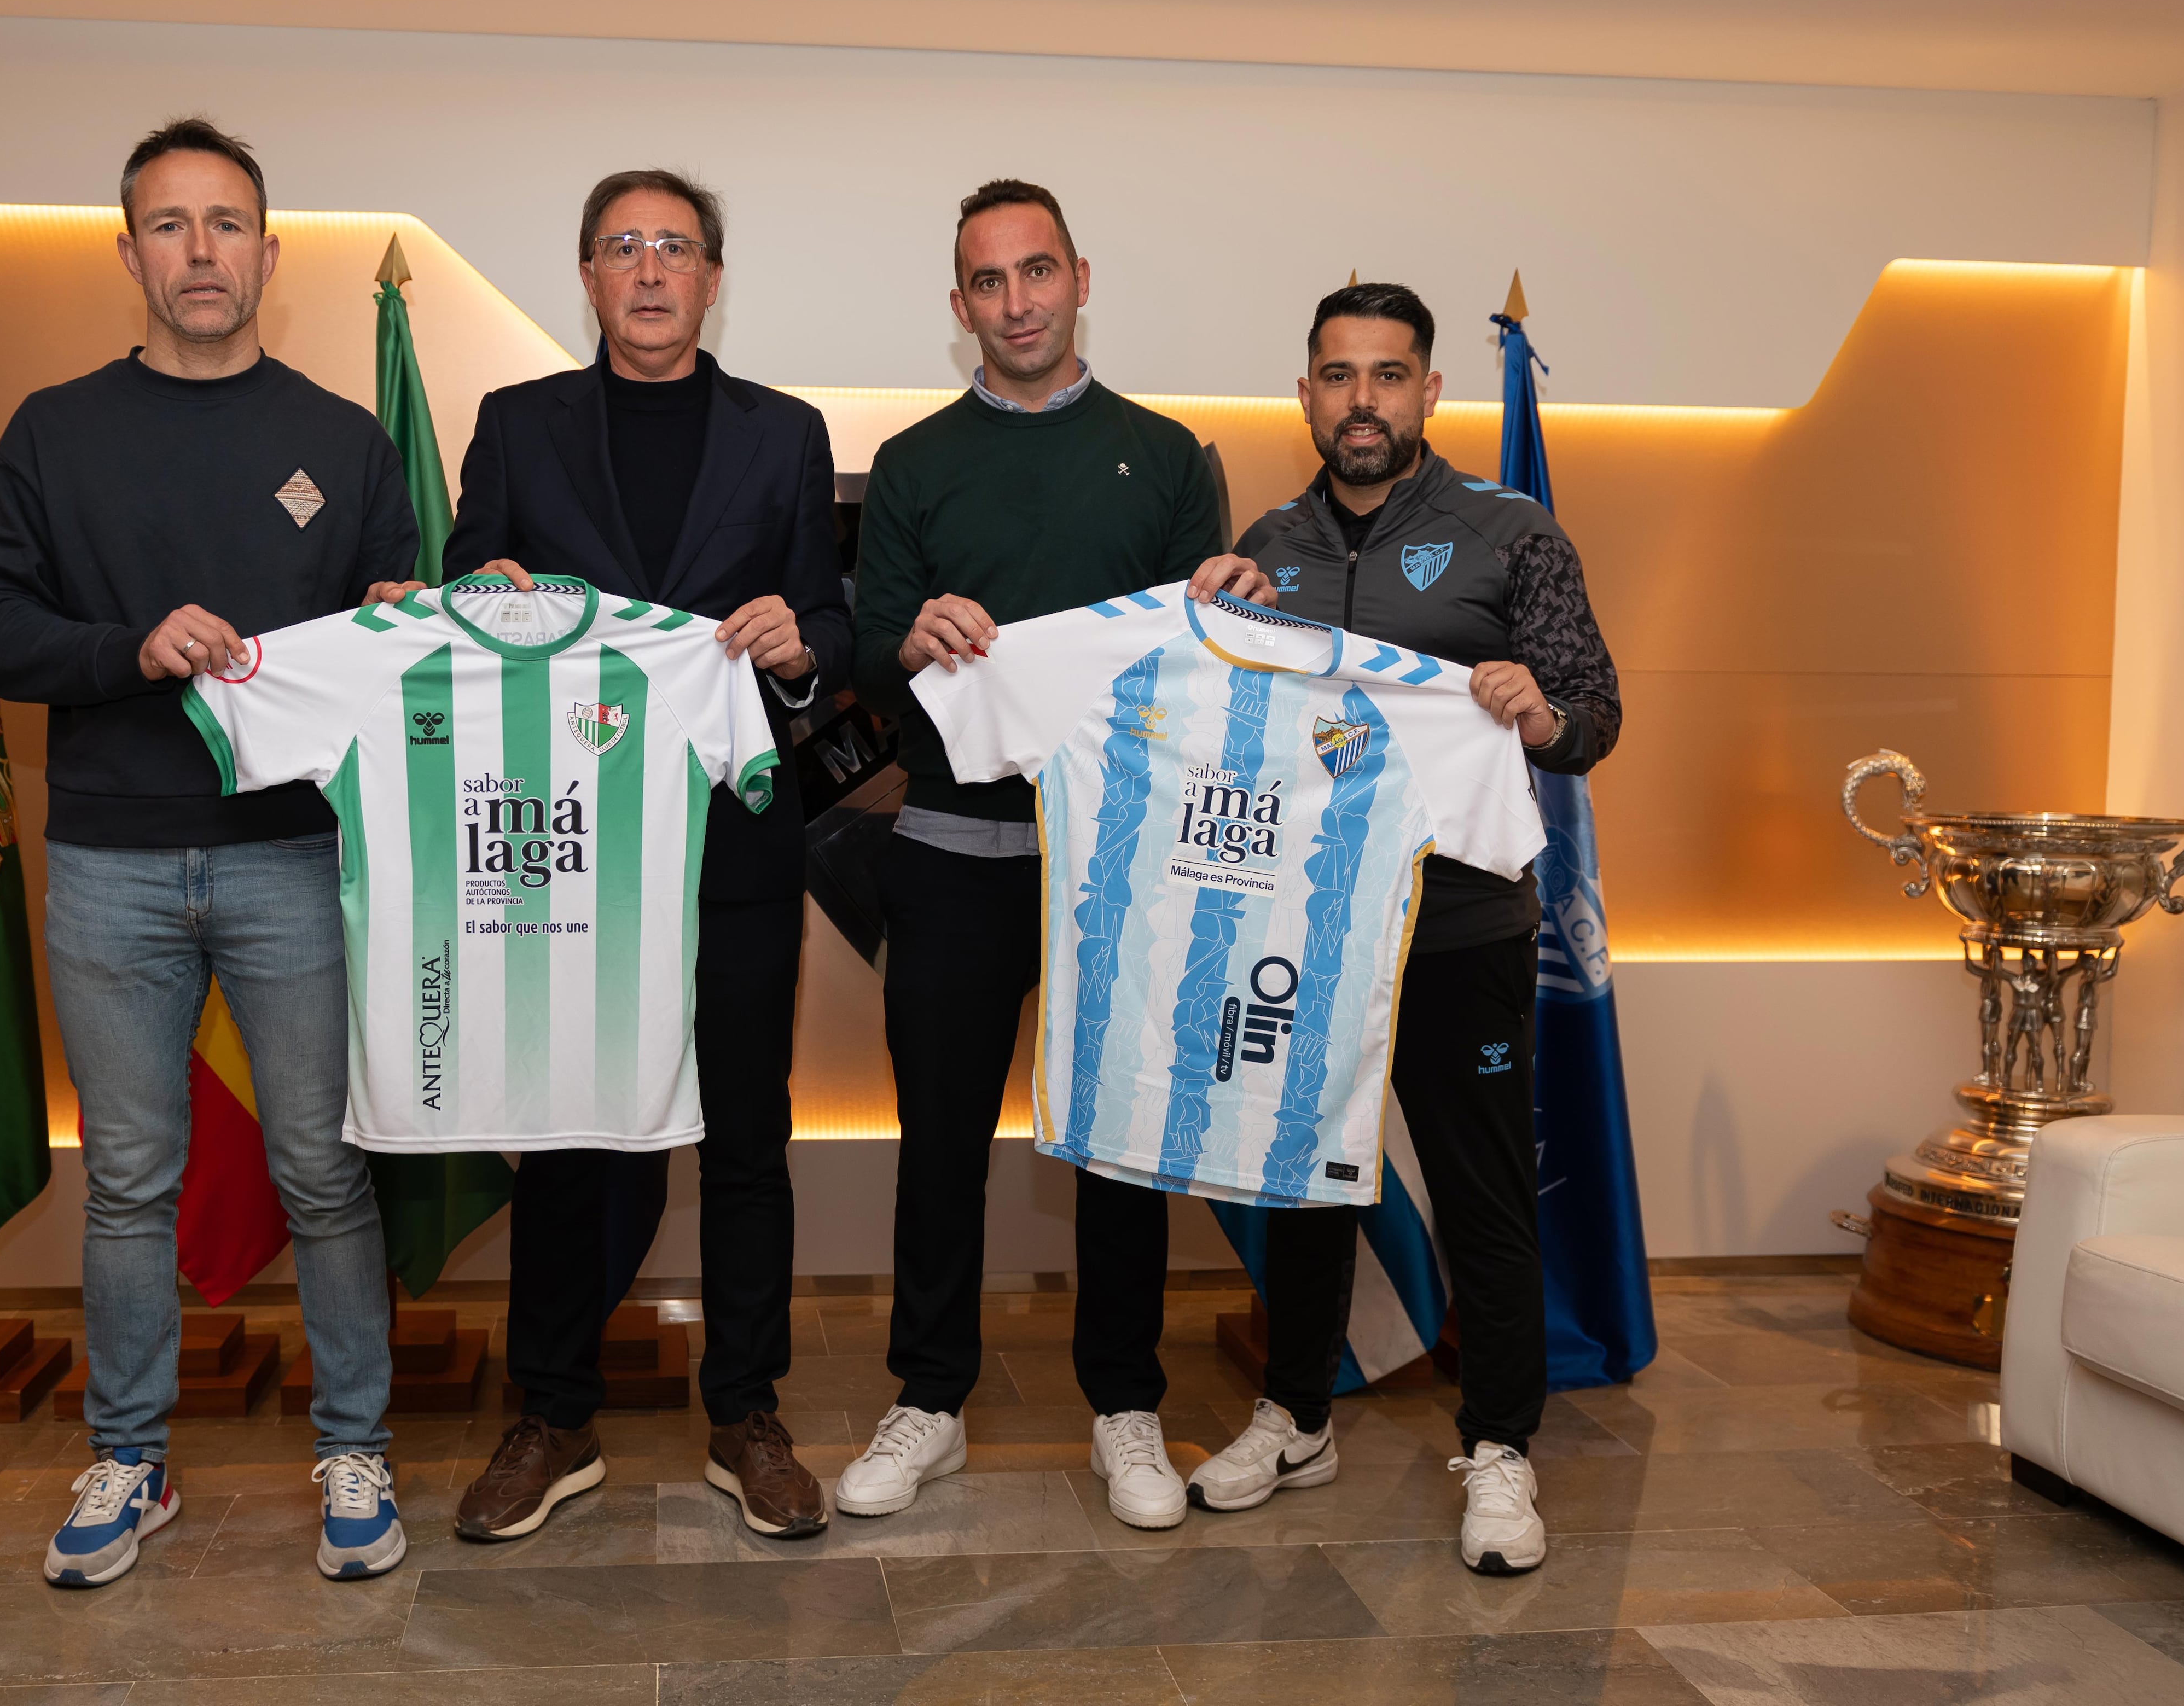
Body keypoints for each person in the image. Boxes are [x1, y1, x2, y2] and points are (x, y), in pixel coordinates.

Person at [0, 118, 426, 1588]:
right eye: (170, 225)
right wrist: (127, 646)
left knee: (326, 1168)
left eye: (228, 224)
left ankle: (356, 1446)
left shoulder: (345, 437)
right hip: (111, 858)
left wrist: (411, 613)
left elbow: (388, 626)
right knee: (128, 1179)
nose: (201, 250)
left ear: (270, 254)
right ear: (130, 253)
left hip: (298, 858)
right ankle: (131, 1457)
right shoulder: (52, 428)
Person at [435, 169, 851, 1542]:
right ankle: (550, 1415)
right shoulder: (515, 424)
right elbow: (464, 599)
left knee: (745, 1135)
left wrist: (804, 647)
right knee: (567, 1130)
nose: (652, 268)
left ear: (713, 278)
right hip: (564, 844)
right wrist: (475, 598)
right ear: (589, 278)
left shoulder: (785, 435)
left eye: (676, 246)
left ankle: (747, 1412)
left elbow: (829, 626)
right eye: (624, 247)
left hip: (734, 835)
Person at [1181, 280, 1623, 1575]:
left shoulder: (1508, 532)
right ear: (1306, 391)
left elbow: (1593, 712)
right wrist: (1217, 614)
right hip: (1303, 927)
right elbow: (1226, 727)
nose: (1360, 399)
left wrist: (1537, 710)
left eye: (1387, 375)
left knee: (1483, 1195)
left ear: (1431, 391)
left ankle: (1498, 1448)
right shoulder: (1268, 540)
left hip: (1461, 926)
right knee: (1303, 1185)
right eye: (1336, 375)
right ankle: (1298, 1414)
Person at [838, 179, 1224, 1528]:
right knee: (938, 1137)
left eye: (1036, 272)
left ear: (1076, 279)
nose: (1016, 302)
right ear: (960, 308)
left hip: (1122, 864)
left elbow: (1201, 657)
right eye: (988, 283)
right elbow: (866, 648)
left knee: (1122, 1141)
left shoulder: (1171, 457)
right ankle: (928, 1400)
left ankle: (1126, 1403)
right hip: (950, 850)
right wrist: (912, 632)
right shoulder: (912, 465)